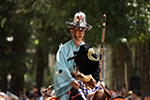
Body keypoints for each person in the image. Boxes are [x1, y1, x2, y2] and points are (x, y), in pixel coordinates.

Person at [54, 11, 100, 100]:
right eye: (78, 29)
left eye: (83, 30)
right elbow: (61, 68)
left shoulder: (88, 50)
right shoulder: (63, 49)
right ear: (72, 31)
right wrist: (72, 81)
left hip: (86, 85)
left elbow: (95, 67)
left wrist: (99, 81)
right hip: (68, 85)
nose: (81, 32)